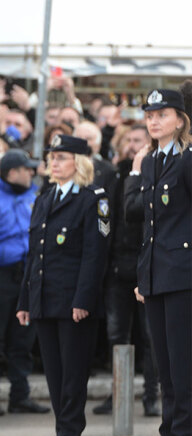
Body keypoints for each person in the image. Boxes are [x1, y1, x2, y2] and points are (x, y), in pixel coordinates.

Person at [16, 134, 109, 436]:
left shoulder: (91, 199)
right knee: (55, 375)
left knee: (72, 375)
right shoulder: (45, 197)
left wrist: (83, 299)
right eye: (51, 157)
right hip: (45, 299)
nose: (53, 162)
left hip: (74, 303)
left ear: (79, 162)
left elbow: (93, 255)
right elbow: (34, 255)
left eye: (61, 157)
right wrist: (25, 301)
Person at [128, 89, 192, 436]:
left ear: (180, 120)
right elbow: (146, 226)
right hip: (156, 274)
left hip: (183, 274)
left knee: (183, 367)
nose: (154, 121)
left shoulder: (186, 160)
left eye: (163, 114)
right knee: (165, 367)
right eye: (150, 115)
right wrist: (142, 276)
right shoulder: (151, 161)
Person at [0, 149, 50, 416]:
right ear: (12, 172)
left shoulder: (32, 198)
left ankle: (20, 396)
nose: (32, 173)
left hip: (26, 276)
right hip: (0, 279)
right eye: (27, 169)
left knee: (22, 340)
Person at [93, 123, 160, 418]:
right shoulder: (111, 173)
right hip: (117, 265)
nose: (133, 145)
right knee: (117, 334)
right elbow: (103, 218)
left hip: (147, 264)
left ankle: (150, 396)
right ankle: (118, 394)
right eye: (129, 139)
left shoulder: (156, 170)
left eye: (139, 140)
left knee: (150, 336)